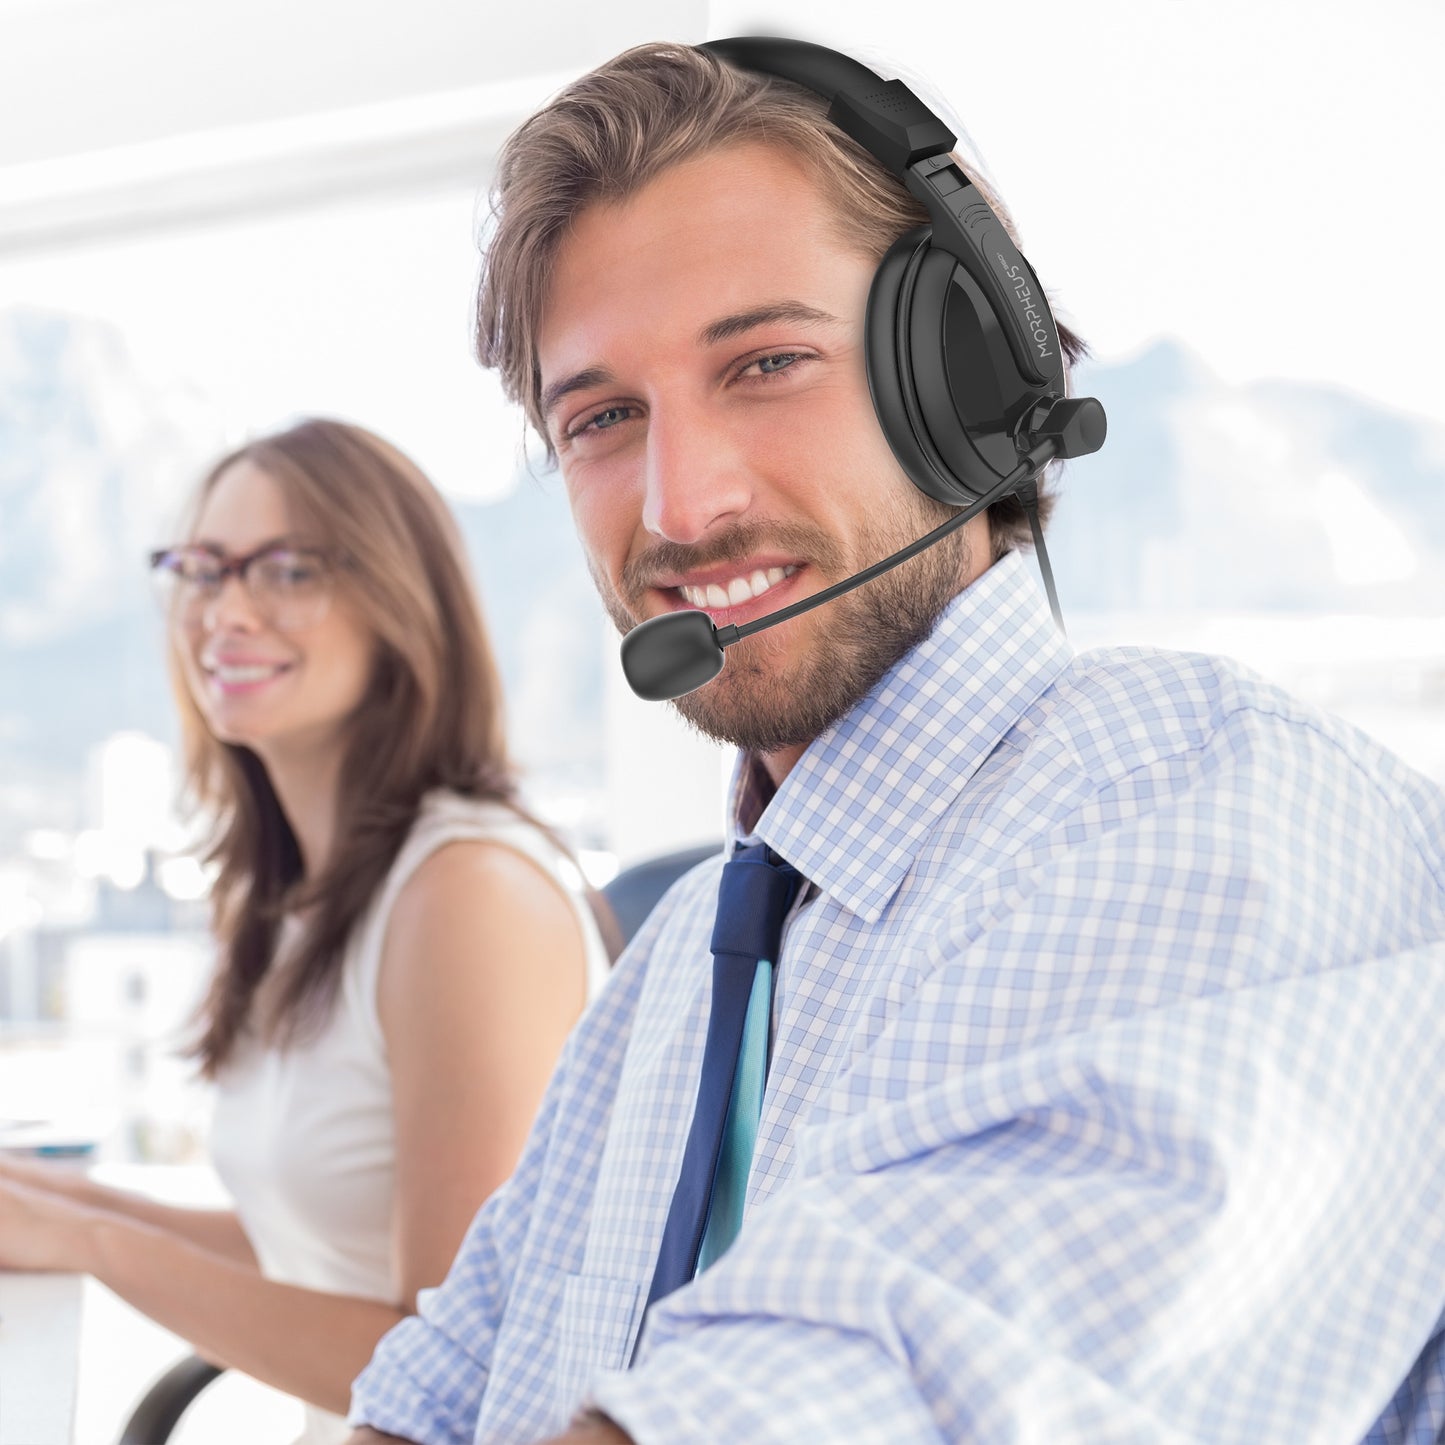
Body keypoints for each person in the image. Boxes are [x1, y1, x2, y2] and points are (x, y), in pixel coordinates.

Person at [346, 41, 1445, 1445]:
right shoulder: (678, 969)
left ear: (972, 385)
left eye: (766, 363)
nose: (682, 506)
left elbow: (886, 1387)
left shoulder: (1211, 810)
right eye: (605, 417)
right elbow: (449, 1383)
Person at [0, 418, 613, 1443]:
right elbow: (312, 1241)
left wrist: (93, 1239)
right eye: (201, 568)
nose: (225, 611)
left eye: (285, 570)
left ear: (396, 602)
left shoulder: (467, 894)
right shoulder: (312, 891)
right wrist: (49, 1195)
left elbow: (459, 1362)